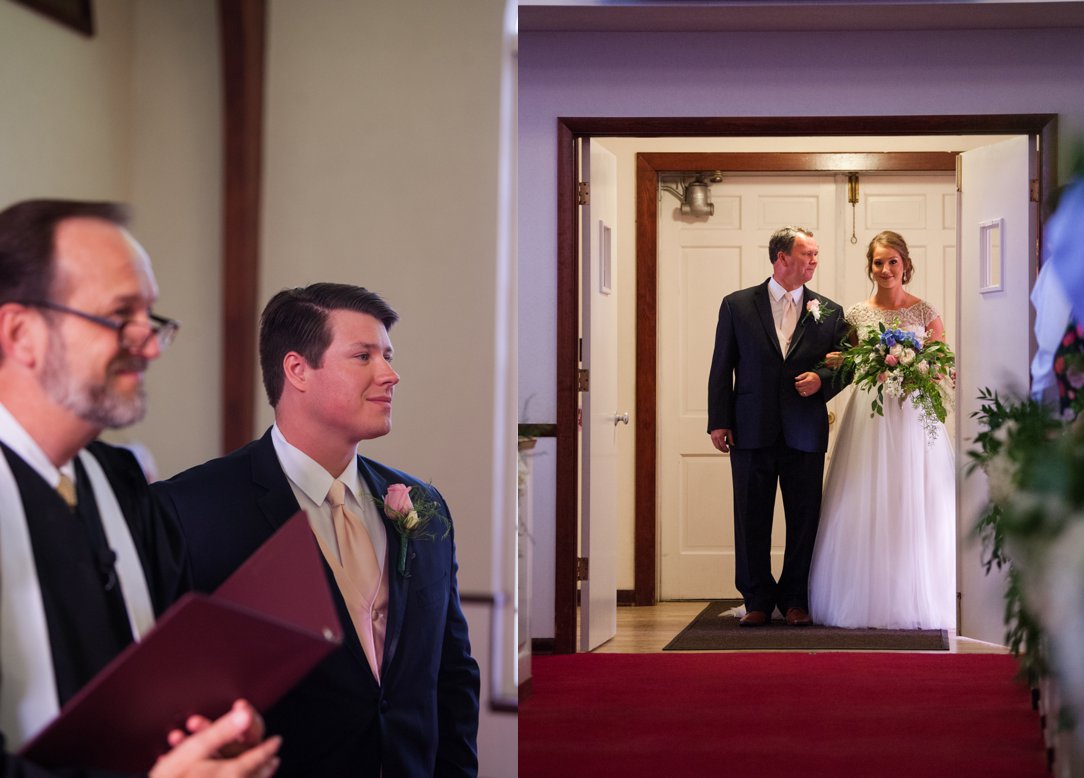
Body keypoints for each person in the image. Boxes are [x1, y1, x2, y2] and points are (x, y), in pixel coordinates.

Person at [0, 199, 281, 777]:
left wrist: (209, 734)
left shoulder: (123, 486)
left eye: (150, 317)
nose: (150, 345)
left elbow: (164, 674)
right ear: (22, 333)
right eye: (119, 315)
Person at [153, 283, 481, 777]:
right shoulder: (191, 509)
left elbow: (452, 674)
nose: (390, 375)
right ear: (297, 370)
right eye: (363, 356)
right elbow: (173, 693)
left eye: (387, 356)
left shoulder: (422, 505)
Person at [808, 230, 956, 630]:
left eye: (893, 261)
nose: (886, 269)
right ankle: (863, 597)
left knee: (915, 499)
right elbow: (851, 361)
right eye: (878, 262)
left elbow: (943, 363)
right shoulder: (856, 314)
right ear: (870, 267)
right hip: (870, 417)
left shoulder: (925, 312)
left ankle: (916, 594)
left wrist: (917, 368)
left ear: (905, 265)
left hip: (912, 415)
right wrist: (841, 362)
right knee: (865, 496)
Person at [707, 226, 850, 627]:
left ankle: (794, 599)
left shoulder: (830, 311)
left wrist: (823, 379)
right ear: (781, 258)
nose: (814, 261)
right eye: (807, 254)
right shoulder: (737, 305)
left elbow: (850, 362)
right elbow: (722, 366)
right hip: (750, 429)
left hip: (804, 430)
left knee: (804, 519)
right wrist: (718, 421)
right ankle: (756, 598)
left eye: (816, 255)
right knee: (751, 516)